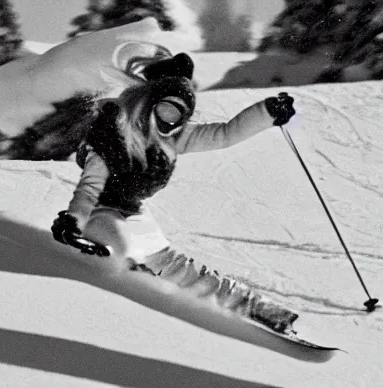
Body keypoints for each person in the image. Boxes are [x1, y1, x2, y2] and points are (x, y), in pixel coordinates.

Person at [51, 52, 300, 334]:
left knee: (172, 264)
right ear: (148, 103)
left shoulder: (174, 138)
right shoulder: (113, 135)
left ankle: (254, 305)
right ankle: (136, 281)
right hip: (102, 211)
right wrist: (73, 220)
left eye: (180, 114)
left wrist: (267, 112)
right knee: (120, 247)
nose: (171, 120)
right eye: (166, 109)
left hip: (134, 211)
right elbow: (89, 188)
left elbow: (225, 134)